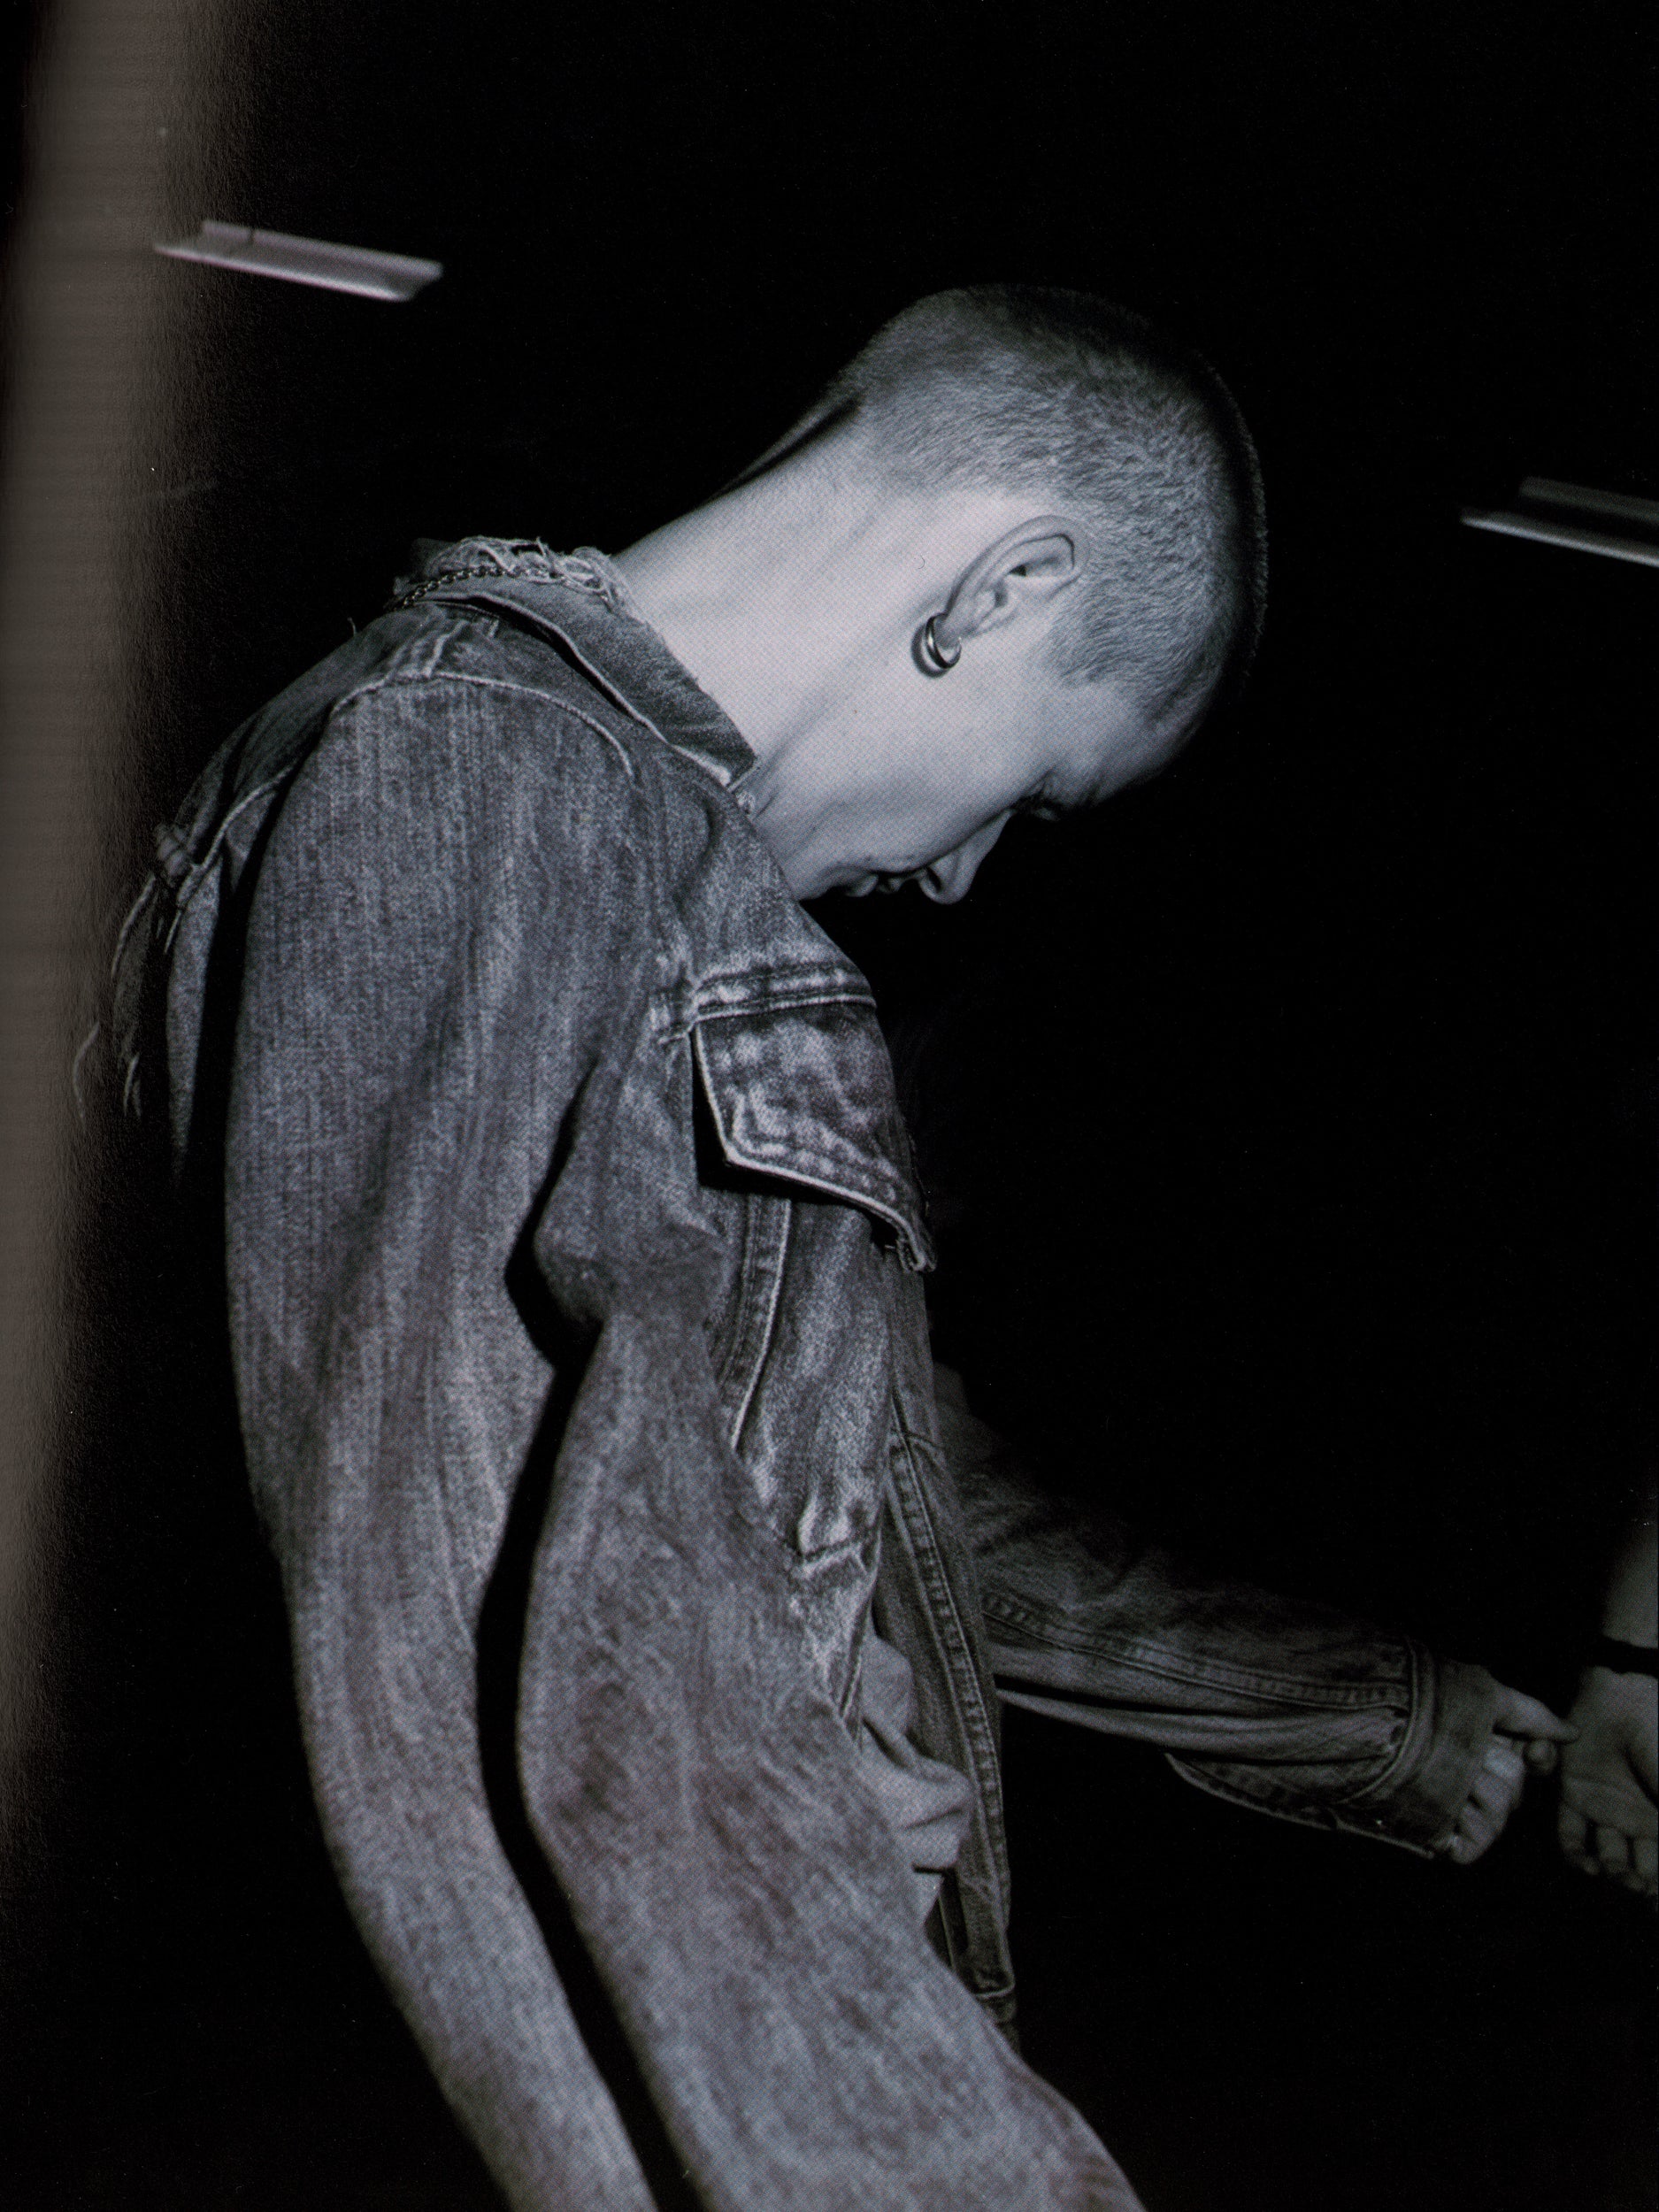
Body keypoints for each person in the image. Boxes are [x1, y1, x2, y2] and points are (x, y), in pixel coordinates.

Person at [103, 287, 1571, 2209]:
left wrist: (1376, 1716)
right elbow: (448, 1608)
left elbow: (894, 1501)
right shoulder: (484, 771)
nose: (960, 872)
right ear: (1000, 587)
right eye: (1035, 790)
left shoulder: (617, 842)